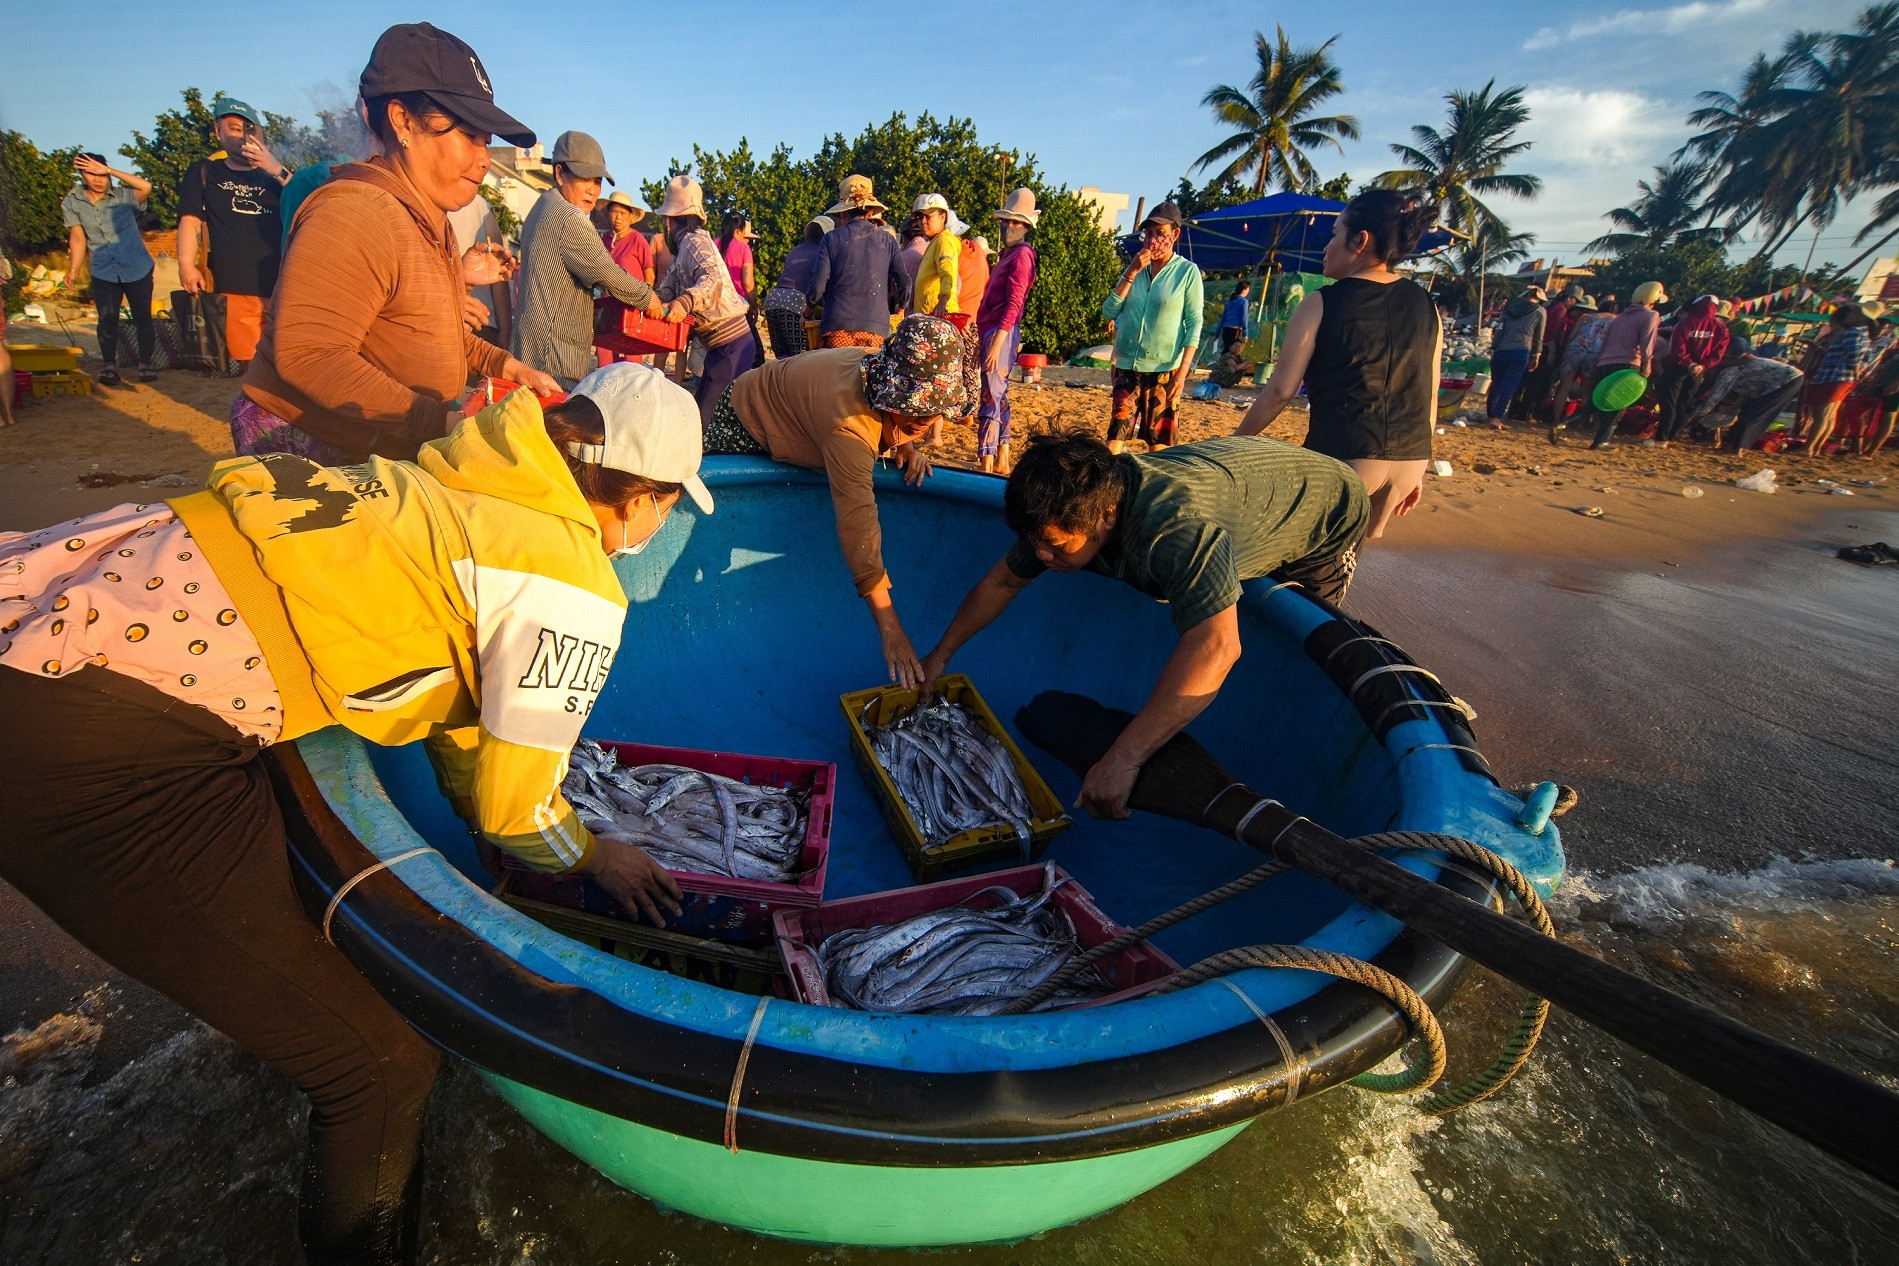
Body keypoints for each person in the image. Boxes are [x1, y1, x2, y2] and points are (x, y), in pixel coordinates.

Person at [0, 338, 709, 1261]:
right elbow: (514, 810)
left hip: (67, 594)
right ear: (644, 496)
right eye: (663, 505)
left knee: (290, 974)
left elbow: (467, 726)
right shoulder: (568, 581)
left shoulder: (462, 480)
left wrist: (490, 811)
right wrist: (594, 855)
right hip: (92, 737)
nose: (656, 523)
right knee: (377, 1067)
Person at [917, 430, 1369, 819]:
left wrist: (1123, 759)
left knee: (1297, 647)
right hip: (1242, 482)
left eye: (1054, 546)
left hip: (1326, 506)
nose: (1041, 556)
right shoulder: (1072, 503)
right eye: (1035, 543)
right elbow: (1002, 581)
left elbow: (1217, 648)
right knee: (1217, 585)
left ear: (1106, 515)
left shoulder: (1174, 528)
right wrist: (940, 656)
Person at [236, 22, 558, 463]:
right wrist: (442, 422)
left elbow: (439, 334)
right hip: (315, 445)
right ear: (403, 120)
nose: (484, 159)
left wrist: (508, 366)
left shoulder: (430, 217)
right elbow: (310, 354)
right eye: (468, 136)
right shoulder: (357, 212)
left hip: (383, 441)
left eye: (487, 141)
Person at [704, 315, 961, 686]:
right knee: (718, 521)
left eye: (932, 411)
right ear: (893, 394)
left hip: (808, 410)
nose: (929, 417)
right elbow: (859, 527)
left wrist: (904, 442)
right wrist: (891, 629)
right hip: (747, 413)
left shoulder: (881, 367)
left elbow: (892, 413)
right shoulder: (849, 430)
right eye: (917, 411)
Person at [1236, 189, 1442, 541]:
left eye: (1334, 235)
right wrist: (1415, 468)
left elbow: (1281, 391)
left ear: (1360, 240)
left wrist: (1234, 444)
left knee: (1289, 563)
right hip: (1411, 461)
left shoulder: (1321, 302)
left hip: (1349, 458)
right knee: (1344, 564)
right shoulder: (1427, 303)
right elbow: (1429, 394)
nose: (1326, 248)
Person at [512, 131, 662, 390]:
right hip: (553, 359)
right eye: (584, 179)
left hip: (529, 348)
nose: (593, 190)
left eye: (598, 181)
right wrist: (648, 298)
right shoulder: (569, 217)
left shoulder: (541, 207)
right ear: (560, 174)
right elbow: (607, 274)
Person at [177, 96, 291, 368]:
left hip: (283, 285)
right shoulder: (206, 171)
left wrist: (276, 169)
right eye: (234, 128)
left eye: (250, 129)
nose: (243, 135)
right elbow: (190, 221)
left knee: (287, 362)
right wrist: (185, 265)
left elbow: (311, 202)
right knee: (250, 365)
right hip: (235, 286)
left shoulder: (278, 175)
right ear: (218, 132)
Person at [652, 175, 756, 424]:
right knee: (702, 413)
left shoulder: (693, 241)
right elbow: (667, 290)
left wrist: (684, 302)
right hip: (721, 346)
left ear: (669, 221)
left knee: (708, 423)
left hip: (731, 342)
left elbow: (712, 280)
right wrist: (647, 301)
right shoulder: (684, 251)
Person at [1103, 201, 1204, 454]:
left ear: (1175, 235)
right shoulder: (1135, 268)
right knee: (1116, 434)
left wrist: (1183, 373)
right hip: (1127, 365)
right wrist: (1132, 271)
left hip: (1165, 368)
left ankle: (1154, 491)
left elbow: (1194, 323)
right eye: (1148, 233)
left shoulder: (1187, 272)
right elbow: (1109, 311)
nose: (1153, 239)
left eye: (1160, 233)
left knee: (1158, 442)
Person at [64, 153, 157, 386]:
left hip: (137, 266)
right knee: (107, 318)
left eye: (100, 173)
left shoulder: (124, 197)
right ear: (82, 175)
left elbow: (146, 186)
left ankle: (145, 364)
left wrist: (111, 170)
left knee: (142, 317)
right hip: (103, 269)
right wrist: (73, 270)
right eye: (91, 173)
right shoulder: (72, 201)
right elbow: (77, 238)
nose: (97, 179)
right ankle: (109, 365)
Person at [976, 189, 1040, 475]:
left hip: (1000, 332)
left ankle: (987, 461)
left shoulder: (1021, 256)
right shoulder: (1010, 254)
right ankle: (1002, 455)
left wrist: (996, 342)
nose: (1008, 226)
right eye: (1006, 221)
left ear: (1025, 227)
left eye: (1016, 223)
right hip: (995, 330)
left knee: (990, 394)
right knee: (999, 394)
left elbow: (1015, 303)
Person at [808, 175, 911, 349]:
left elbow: (817, 287)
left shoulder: (830, 239)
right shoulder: (888, 240)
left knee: (838, 376)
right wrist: (902, 306)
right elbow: (905, 284)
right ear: (870, 211)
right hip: (876, 330)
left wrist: (808, 309)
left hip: (837, 328)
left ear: (842, 212)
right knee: (868, 375)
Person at [1583, 281, 1667, 449]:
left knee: (1598, 400)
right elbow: (1647, 341)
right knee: (1617, 404)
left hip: (1605, 363)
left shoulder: (1620, 317)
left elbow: (1606, 341)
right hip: (1627, 364)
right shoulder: (1650, 315)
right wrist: (1647, 362)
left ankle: (1564, 423)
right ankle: (1601, 441)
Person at [1683, 339, 1805, 451]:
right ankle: (1731, 443)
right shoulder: (1736, 367)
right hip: (1786, 379)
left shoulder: (1728, 372)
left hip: (1786, 380)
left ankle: (1737, 447)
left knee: (1751, 414)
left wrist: (1688, 420)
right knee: (1742, 411)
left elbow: (1712, 402)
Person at [1651, 294, 1730, 446]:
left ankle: (1661, 439)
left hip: (1678, 367)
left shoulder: (1686, 323)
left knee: (1669, 403)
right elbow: (1719, 353)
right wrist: (1702, 365)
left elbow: (1677, 348)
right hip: (1698, 372)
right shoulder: (1720, 328)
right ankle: (1671, 436)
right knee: (1683, 404)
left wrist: (1689, 363)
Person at [1801, 302, 1875, 458]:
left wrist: (1855, 370)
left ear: (1860, 316)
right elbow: (1861, 356)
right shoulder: (1863, 333)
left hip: (1835, 376)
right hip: (1841, 377)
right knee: (1829, 414)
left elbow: (1853, 355)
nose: (1848, 315)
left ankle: (1808, 448)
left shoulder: (1853, 332)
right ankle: (1816, 447)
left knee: (1822, 413)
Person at [591, 190, 655, 367]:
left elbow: (649, 275)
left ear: (629, 216)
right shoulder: (604, 239)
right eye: (614, 212)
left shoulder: (638, 239)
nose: (618, 217)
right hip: (607, 305)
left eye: (623, 213)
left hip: (631, 306)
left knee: (631, 356)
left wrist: (645, 302)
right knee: (604, 352)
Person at [448, 185, 515, 351]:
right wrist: (505, 333)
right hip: (480, 325)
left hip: (470, 324)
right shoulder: (480, 206)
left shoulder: (480, 206)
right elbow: (500, 276)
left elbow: (498, 272)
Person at [762, 216, 830, 358]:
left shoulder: (795, 250)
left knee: (782, 358)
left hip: (773, 299)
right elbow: (819, 285)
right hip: (795, 302)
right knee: (800, 358)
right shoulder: (822, 252)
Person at [1548, 296, 1611, 441]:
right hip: (1595, 354)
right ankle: (1580, 421)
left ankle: (1556, 418)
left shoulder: (1585, 317)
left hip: (1576, 349)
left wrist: (1566, 350)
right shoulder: (1614, 321)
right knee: (1586, 390)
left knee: (1564, 386)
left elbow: (1571, 336)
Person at [1486, 285, 1545, 428]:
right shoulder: (1540, 311)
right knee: (1509, 386)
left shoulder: (1509, 310)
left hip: (1501, 350)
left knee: (1496, 384)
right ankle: (1497, 418)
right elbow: (1538, 337)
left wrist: (1494, 348)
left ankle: (1490, 415)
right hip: (1522, 351)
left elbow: (1499, 331)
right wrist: (1536, 355)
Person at [718, 213, 765, 368]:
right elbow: (748, 282)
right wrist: (754, 305)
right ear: (739, 230)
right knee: (754, 354)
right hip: (737, 306)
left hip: (715, 306)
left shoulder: (713, 244)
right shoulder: (743, 248)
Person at [1219, 280, 1253, 356]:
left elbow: (1223, 319)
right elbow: (1244, 319)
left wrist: (1217, 333)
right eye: (1248, 289)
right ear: (1244, 290)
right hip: (1235, 329)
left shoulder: (1229, 302)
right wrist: (1245, 334)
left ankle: (1221, 365)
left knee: (1227, 348)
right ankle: (1221, 365)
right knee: (1231, 351)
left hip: (1225, 329)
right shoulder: (1244, 301)